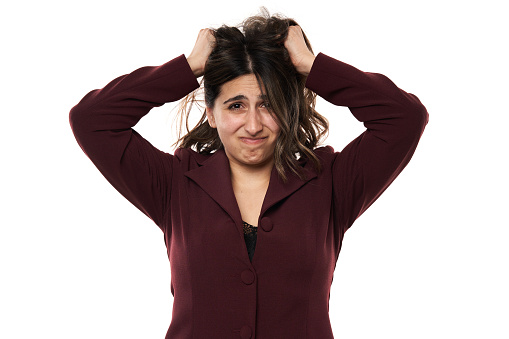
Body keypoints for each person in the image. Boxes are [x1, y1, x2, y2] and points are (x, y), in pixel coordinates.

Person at [69, 10, 428, 339]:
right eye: (236, 105)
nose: (253, 125)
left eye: (269, 104)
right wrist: (189, 66)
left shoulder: (329, 181)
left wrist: (310, 65)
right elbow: (92, 120)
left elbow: (404, 118)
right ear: (211, 112)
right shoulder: (174, 183)